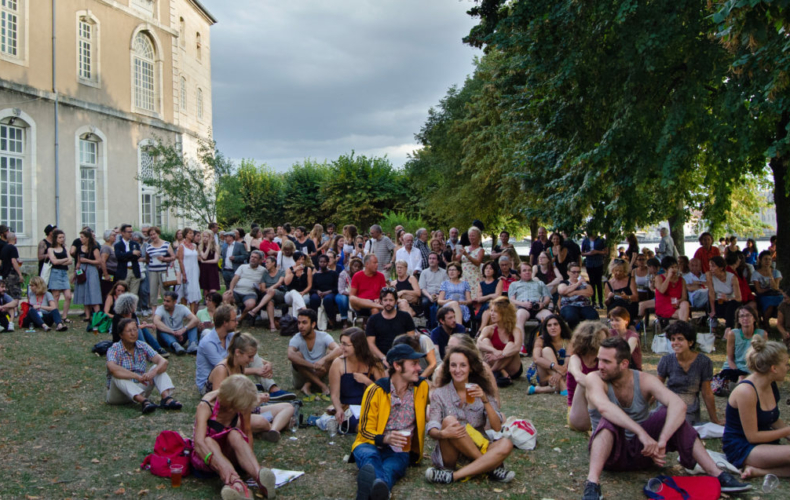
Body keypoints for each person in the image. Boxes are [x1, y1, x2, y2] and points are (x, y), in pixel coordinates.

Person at [581, 336, 750, 500]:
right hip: (610, 455)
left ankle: (718, 475)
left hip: (645, 453)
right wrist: (642, 433)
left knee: (668, 414)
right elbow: (604, 407)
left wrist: (661, 441)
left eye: (606, 362)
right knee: (609, 419)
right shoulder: (594, 379)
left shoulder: (644, 380)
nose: (600, 366)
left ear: (624, 364)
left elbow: (678, 405)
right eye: (599, 360)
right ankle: (592, 484)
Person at [424, 344, 515, 485]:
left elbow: (497, 427)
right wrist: (443, 433)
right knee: (449, 421)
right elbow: (432, 428)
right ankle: (489, 468)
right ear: (448, 368)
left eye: (463, 365)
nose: (458, 370)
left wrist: (485, 400)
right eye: (453, 365)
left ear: (470, 367)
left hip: (479, 444)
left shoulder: (482, 391)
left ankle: (454, 476)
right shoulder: (439, 394)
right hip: (452, 453)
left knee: (506, 444)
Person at [351, 343, 430, 500]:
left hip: (400, 448)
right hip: (370, 443)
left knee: (392, 468)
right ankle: (381, 491)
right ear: (397, 366)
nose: (419, 368)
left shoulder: (421, 388)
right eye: (413, 364)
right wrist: (384, 438)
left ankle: (370, 492)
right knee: (370, 458)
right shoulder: (376, 390)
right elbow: (364, 429)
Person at [191, 375, 277, 499]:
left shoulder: (241, 401)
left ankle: (255, 476)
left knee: (235, 434)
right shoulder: (207, 405)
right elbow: (199, 444)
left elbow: (247, 431)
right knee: (209, 440)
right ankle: (236, 482)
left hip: (230, 453)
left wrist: (248, 463)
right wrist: (218, 464)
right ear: (232, 403)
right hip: (207, 455)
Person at [204, 333, 294, 441]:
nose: (252, 361)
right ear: (237, 352)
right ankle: (272, 426)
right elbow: (218, 406)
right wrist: (253, 401)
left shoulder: (240, 367)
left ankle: (273, 431)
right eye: (250, 356)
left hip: (243, 411)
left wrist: (255, 399)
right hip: (226, 417)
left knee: (288, 407)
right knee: (261, 421)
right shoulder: (222, 369)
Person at [723, 336, 790, 478]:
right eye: (786, 364)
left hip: (766, 444)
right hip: (743, 446)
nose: (788, 368)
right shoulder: (746, 391)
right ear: (774, 368)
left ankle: (759, 471)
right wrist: (787, 431)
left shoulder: (770, 384)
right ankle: (755, 467)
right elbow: (752, 436)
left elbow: (772, 419)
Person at [105, 318, 182, 414]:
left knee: (156, 368)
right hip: (118, 395)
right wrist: (136, 376)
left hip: (140, 388)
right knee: (117, 375)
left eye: (135, 329)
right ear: (121, 335)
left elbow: (163, 361)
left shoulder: (142, 345)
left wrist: (152, 372)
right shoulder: (114, 349)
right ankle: (144, 401)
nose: (133, 333)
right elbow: (113, 368)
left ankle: (166, 399)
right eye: (129, 331)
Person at [657, 321, 720, 425]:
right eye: (673, 339)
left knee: (679, 426)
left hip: (689, 407)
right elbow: (656, 388)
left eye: (680, 339)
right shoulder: (666, 360)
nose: (675, 342)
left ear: (690, 342)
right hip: (668, 403)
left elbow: (707, 392)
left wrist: (714, 419)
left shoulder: (704, 362)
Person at [329, 328, 386, 430]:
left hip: (372, 406)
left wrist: (367, 381)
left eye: (346, 344)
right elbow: (334, 395)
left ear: (358, 346)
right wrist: (338, 410)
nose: (342, 347)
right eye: (342, 343)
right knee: (357, 423)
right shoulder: (338, 363)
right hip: (349, 408)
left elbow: (384, 392)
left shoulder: (374, 363)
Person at [287, 308, 342, 400]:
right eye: (299, 323)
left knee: (330, 353)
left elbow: (339, 349)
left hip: (320, 373)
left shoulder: (323, 336)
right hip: (302, 377)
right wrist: (313, 366)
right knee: (297, 356)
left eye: (304, 323)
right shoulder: (296, 338)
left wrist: (323, 360)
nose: (300, 326)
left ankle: (307, 385)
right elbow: (290, 355)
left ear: (313, 324)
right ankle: (322, 386)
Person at [566, 321, 608, 432]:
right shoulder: (575, 359)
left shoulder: (602, 361)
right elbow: (578, 376)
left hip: (599, 406)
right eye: (602, 340)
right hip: (579, 413)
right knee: (588, 379)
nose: (606, 343)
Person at [476, 297, 524, 385]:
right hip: (496, 364)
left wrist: (501, 355)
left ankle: (490, 372)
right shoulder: (489, 329)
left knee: (510, 345)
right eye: (491, 311)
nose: (492, 314)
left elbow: (517, 348)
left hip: (512, 368)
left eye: (496, 312)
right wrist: (495, 351)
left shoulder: (515, 330)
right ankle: (500, 371)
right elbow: (478, 343)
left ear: (504, 313)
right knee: (485, 341)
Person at [366, 288, 416, 367]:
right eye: (385, 300)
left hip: (402, 356)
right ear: (381, 301)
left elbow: (411, 339)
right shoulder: (373, 320)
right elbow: (370, 343)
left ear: (396, 301)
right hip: (380, 357)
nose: (388, 303)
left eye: (390, 300)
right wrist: (383, 358)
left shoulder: (405, 317)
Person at [110, 292, 167, 356]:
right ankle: (145, 350)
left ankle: (158, 348)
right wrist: (142, 326)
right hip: (123, 339)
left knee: (142, 329)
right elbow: (125, 330)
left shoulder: (132, 314)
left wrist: (146, 325)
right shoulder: (117, 317)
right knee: (138, 329)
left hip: (132, 336)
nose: (135, 306)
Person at [529, 314, 572, 395]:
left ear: (561, 326)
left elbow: (567, 362)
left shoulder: (568, 341)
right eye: (549, 325)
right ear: (546, 328)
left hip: (562, 373)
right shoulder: (541, 340)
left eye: (555, 324)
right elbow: (536, 359)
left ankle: (538, 390)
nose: (553, 327)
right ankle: (563, 386)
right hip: (542, 374)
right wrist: (556, 367)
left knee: (572, 377)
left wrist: (560, 373)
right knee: (546, 350)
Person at [723, 306, 767, 376]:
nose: (745, 318)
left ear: (754, 318)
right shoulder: (732, 334)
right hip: (734, 368)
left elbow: (764, 358)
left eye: (748, 315)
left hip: (753, 370)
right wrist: (738, 373)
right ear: (738, 320)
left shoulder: (762, 334)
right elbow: (730, 359)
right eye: (742, 316)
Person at [154, 291, 200, 355]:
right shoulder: (160, 309)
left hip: (180, 335)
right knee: (160, 329)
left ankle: (193, 345)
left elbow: (195, 319)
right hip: (166, 336)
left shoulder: (181, 308)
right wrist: (173, 332)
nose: (164, 303)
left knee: (193, 325)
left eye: (168, 301)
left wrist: (183, 330)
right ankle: (175, 345)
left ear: (175, 302)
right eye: (164, 300)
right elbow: (156, 321)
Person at [508, 263, 553, 329]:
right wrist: (524, 304)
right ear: (519, 273)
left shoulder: (540, 283)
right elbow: (511, 300)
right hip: (522, 307)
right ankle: (519, 339)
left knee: (550, 318)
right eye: (524, 270)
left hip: (538, 307)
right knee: (519, 317)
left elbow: (547, 297)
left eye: (529, 270)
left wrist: (543, 304)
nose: (527, 272)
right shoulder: (514, 284)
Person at [228, 250, 266, 323]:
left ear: (260, 260)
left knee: (251, 304)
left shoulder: (263, 270)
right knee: (226, 297)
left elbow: (263, 283)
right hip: (237, 290)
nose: (252, 259)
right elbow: (235, 278)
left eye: (255, 257)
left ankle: (240, 318)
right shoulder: (243, 267)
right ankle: (230, 318)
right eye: (252, 257)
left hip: (250, 293)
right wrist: (231, 289)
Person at [250, 256, 286, 332]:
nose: (265, 264)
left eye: (267, 262)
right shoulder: (265, 274)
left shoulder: (281, 272)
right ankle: (272, 325)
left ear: (273, 263)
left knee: (272, 291)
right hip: (268, 295)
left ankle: (256, 309)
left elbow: (279, 283)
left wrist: (271, 288)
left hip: (279, 293)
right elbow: (263, 288)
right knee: (270, 302)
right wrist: (268, 290)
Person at [558, 262, 599, 329]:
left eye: (578, 272)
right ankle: (574, 334)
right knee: (571, 316)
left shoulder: (585, 282)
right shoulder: (564, 283)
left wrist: (574, 293)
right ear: (568, 272)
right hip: (568, 305)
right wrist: (578, 284)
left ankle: (591, 335)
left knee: (593, 316)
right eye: (574, 272)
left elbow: (590, 293)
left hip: (584, 305)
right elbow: (562, 291)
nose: (576, 274)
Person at [73, 229, 102, 320]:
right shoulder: (79, 248)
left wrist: (87, 261)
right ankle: (87, 315)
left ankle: (97, 314)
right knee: (84, 291)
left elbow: (99, 261)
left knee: (93, 291)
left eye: (82, 237)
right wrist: (76, 273)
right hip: (82, 270)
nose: (80, 239)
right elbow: (78, 262)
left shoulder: (94, 248)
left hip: (91, 270)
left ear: (87, 238)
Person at [45, 229, 72, 321]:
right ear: (55, 238)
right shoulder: (51, 249)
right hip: (55, 273)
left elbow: (70, 261)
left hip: (64, 273)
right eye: (60, 237)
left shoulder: (66, 248)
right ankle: (57, 317)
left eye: (63, 237)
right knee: (56, 296)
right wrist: (64, 259)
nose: (62, 239)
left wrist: (60, 261)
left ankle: (64, 316)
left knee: (68, 296)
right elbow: (54, 262)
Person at [707, 255, 741, 329]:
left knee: (731, 306)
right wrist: (713, 310)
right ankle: (713, 327)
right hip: (718, 302)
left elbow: (739, 298)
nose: (711, 269)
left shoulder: (732, 278)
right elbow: (711, 293)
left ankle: (728, 329)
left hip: (730, 301)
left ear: (721, 267)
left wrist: (728, 299)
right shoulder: (710, 276)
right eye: (710, 266)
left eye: (713, 266)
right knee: (709, 300)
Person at [752, 250, 783, 328]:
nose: (768, 261)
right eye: (765, 259)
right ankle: (765, 323)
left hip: (776, 295)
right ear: (761, 260)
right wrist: (769, 290)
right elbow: (759, 290)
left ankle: (783, 323)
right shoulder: (756, 273)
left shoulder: (776, 272)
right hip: (763, 295)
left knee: (784, 302)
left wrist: (770, 275)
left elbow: (776, 287)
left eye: (769, 259)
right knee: (770, 303)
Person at [654, 256, 690, 322]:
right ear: (665, 269)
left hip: (676, 305)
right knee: (683, 315)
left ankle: (682, 327)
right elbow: (662, 290)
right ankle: (684, 327)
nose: (674, 270)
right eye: (672, 267)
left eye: (676, 267)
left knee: (685, 303)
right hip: (664, 305)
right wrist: (668, 277)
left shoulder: (681, 280)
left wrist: (679, 301)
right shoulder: (659, 278)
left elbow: (684, 297)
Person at [607, 306, 643, 371]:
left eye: (617, 320)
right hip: (615, 366)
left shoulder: (633, 336)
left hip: (632, 369)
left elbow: (626, 354)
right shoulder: (609, 333)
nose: (613, 323)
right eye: (611, 320)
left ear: (626, 321)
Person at [419, 252, 448, 329]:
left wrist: (439, 296)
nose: (431, 260)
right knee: (425, 302)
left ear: (438, 261)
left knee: (442, 304)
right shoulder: (424, 272)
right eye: (430, 258)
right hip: (428, 294)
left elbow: (447, 286)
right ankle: (429, 321)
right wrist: (430, 296)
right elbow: (422, 288)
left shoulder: (444, 272)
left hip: (441, 294)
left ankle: (439, 323)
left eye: (434, 258)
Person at [438, 262, 473, 326]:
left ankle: (458, 328)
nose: (451, 272)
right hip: (448, 304)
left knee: (457, 305)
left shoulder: (465, 284)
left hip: (462, 304)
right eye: (449, 270)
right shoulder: (444, 284)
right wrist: (448, 301)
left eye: (453, 270)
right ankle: (459, 329)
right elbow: (439, 301)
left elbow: (469, 300)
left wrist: (462, 302)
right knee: (454, 304)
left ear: (459, 272)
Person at [454, 226, 485, 299]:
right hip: (464, 275)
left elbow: (478, 263)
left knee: (474, 296)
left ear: (478, 237)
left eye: (473, 236)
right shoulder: (465, 248)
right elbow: (456, 260)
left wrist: (467, 255)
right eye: (470, 236)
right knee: (463, 295)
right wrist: (453, 254)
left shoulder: (480, 250)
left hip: (474, 276)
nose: (471, 238)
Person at [310, 254, 339, 329]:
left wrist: (329, 291)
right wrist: (317, 291)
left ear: (328, 262)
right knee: (314, 299)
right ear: (318, 263)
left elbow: (337, 287)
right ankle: (314, 322)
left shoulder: (333, 274)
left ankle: (331, 321)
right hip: (318, 293)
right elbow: (311, 288)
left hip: (330, 292)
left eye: (324, 262)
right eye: (321, 262)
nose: (322, 263)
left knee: (328, 300)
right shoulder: (315, 275)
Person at [176, 228, 201, 314]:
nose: (192, 235)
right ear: (186, 234)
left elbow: (198, 257)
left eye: (192, 233)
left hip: (194, 270)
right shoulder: (181, 246)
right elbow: (180, 260)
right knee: (185, 290)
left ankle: (193, 312)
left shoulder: (194, 246)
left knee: (193, 290)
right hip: (186, 270)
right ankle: (184, 312)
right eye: (190, 233)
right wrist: (184, 273)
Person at [113, 224, 143, 296]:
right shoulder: (118, 245)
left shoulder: (135, 244)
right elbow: (119, 256)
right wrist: (131, 253)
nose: (131, 234)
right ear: (123, 233)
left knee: (134, 294)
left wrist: (125, 256)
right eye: (128, 232)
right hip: (124, 271)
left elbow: (137, 256)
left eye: (131, 232)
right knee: (123, 293)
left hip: (134, 270)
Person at [581, 231, 607, 309]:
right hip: (589, 263)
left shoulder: (601, 240)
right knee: (592, 283)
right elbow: (582, 253)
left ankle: (601, 302)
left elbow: (606, 252)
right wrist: (589, 253)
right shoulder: (585, 240)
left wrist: (597, 252)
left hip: (599, 263)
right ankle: (593, 302)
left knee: (599, 283)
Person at [283, 251, 313, 317]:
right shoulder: (289, 269)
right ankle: (305, 310)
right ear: (295, 259)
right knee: (294, 292)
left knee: (296, 299)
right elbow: (286, 282)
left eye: (303, 259)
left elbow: (309, 285)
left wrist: (303, 292)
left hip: (303, 293)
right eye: (299, 259)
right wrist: (294, 271)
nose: (301, 261)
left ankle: (295, 320)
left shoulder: (308, 269)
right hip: (290, 294)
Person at [474, 261, 502, 331]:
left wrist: (485, 297)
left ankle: (481, 330)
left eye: (491, 269)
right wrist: (490, 296)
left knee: (490, 309)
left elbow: (497, 297)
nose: (488, 270)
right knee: (488, 309)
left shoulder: (499, 282)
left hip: (495, 305)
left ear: (494, 271)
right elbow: (479, 299)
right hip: (484, 306)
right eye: (486, 268)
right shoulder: (481, 284)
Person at [337, 258, 363, 329]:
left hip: (358, 294)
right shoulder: (343, 274)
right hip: (345, 293)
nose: (357, 268)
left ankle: (364, 321)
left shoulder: (362, 275)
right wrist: (352, 294)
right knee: (343, 299)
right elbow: (341, 290)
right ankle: (344, 321)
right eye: (355, 266)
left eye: (359, 267)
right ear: (351, 266)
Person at [198, 229, 221, 300]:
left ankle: (214, 305)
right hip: (204, 270)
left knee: (213, 291)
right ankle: (207, 304)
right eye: (203, 236)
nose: (205, 238)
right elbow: (204, 256)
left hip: (212, 269)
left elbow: (215, 260)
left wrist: (205, 262)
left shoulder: (216, 246)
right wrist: (208, 246)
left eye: (207, 237)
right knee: (205, 291)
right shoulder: (200, 246)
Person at [777, 284, 790, 349]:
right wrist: (784, 332)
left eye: (786, 298)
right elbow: (779, 324)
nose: (784, 300)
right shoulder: (783, 306)